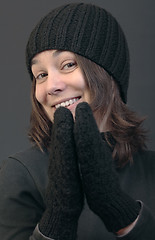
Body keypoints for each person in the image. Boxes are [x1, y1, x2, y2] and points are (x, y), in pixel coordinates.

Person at [0, 2, 155, 240]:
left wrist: (122, 214)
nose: (51, 86)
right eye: (40, 75)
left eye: (68, 64)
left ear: (108, 73)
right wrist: (58, 218)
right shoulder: (20, 173)